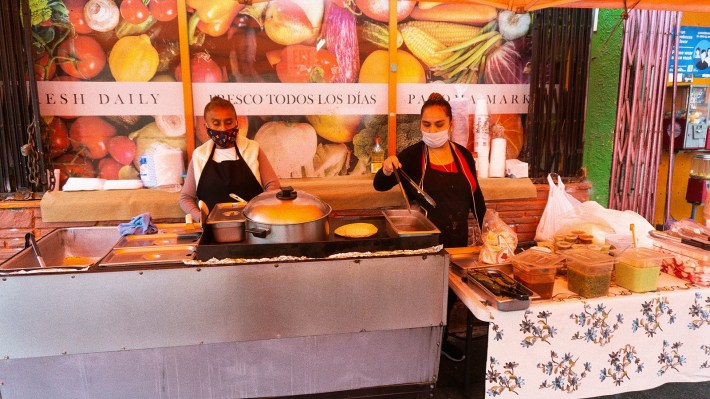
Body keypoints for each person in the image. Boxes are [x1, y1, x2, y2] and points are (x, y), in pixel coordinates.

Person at [373, 92, 486, 361]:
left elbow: (476, 196)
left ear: (450, 124)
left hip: (457, 243)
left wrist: (489, 230)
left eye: (438, 124)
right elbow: (380, 185)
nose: (432, 130)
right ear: (420, 125)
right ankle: (416, 349)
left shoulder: (463, 156)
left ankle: (441, 343)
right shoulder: (413, 156)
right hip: (425, 243)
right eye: (426, 124)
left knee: (448, 297)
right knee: (422, 298)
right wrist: (387, 168)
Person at [180, 97, 280, 222]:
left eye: (228, 122)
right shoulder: (199, 155)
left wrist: (258, 210)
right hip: (213, 230)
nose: (223, 129)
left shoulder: (253, 149)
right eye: (216, 123)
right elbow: (186, 197)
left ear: (236, 122)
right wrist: (200, 217)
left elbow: (273, 185)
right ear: (206, 126)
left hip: (253, 227)